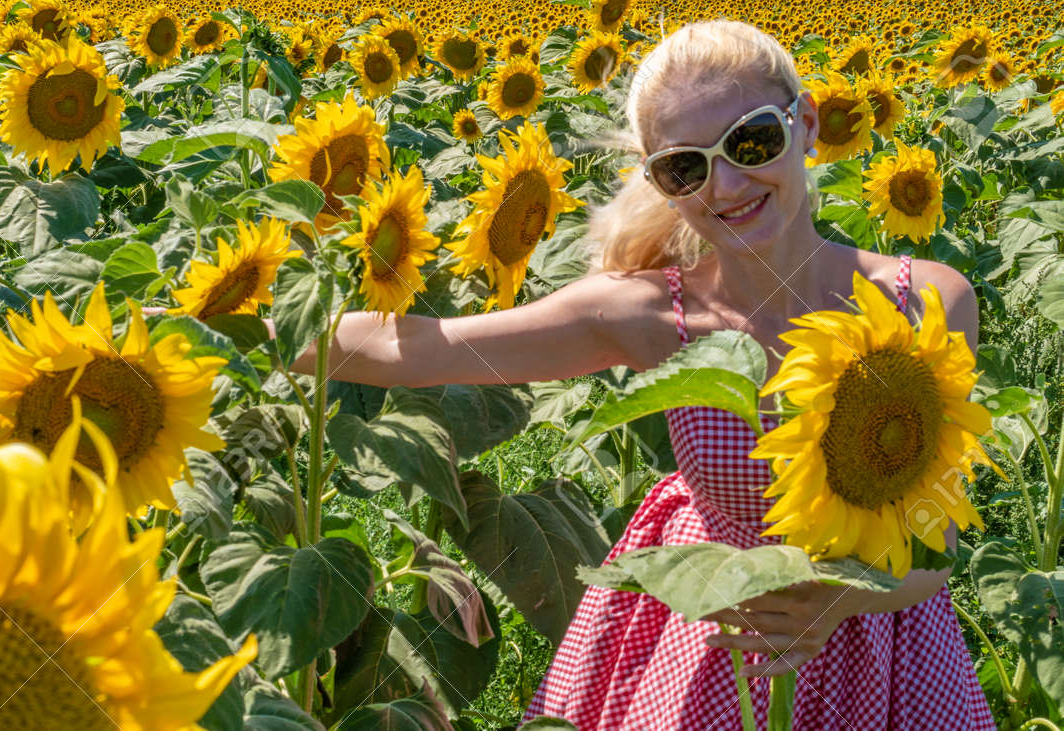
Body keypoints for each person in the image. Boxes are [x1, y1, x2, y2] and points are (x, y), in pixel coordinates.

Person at [281, 19, 996, 731]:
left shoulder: (927, 304)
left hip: (882, 653)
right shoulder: (655, 318)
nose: (726, 182)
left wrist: (838, 600)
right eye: (686, 166)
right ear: (662, 183)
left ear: (806, 124)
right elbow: (435, 346)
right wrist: (246, 323)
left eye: (751, 142)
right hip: (717, 639)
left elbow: (937, 538)